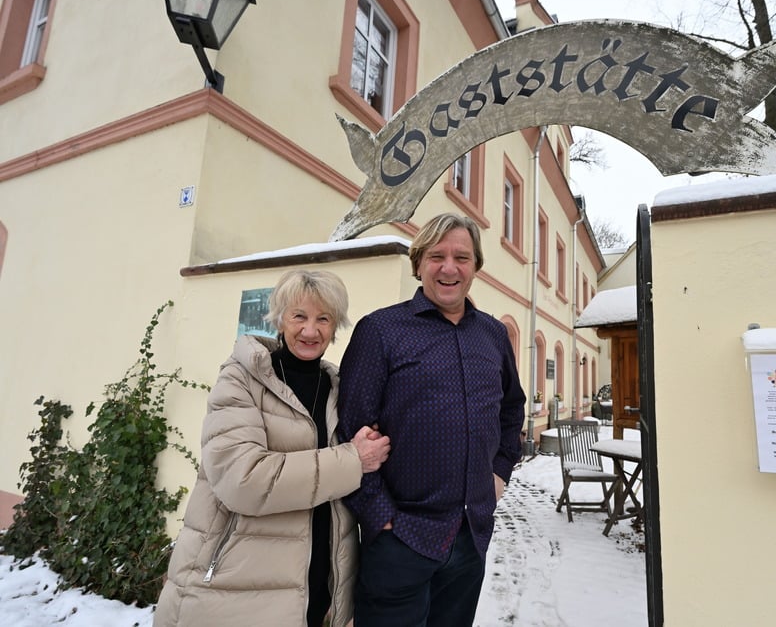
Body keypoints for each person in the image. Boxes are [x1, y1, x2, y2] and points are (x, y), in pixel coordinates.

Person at [154, 270, 391, 627]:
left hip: (318, 595)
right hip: (234, 591)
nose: (310, 331)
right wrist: (353, 460)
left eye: (323, 319)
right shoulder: (241, 379)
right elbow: (242, 479)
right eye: (299, 316)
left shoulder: (340, 389)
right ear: (280, 317)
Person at [337, 213, 526, 626]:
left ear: (476, 266)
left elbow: (512, 408)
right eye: (437, 256)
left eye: (461, 257)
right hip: (401, 538)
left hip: (470, 536)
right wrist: (381, 517)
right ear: (418, 262)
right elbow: (350, 430)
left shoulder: (493, 335)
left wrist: (499, 472)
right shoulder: (381, 331)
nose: (449, 268)